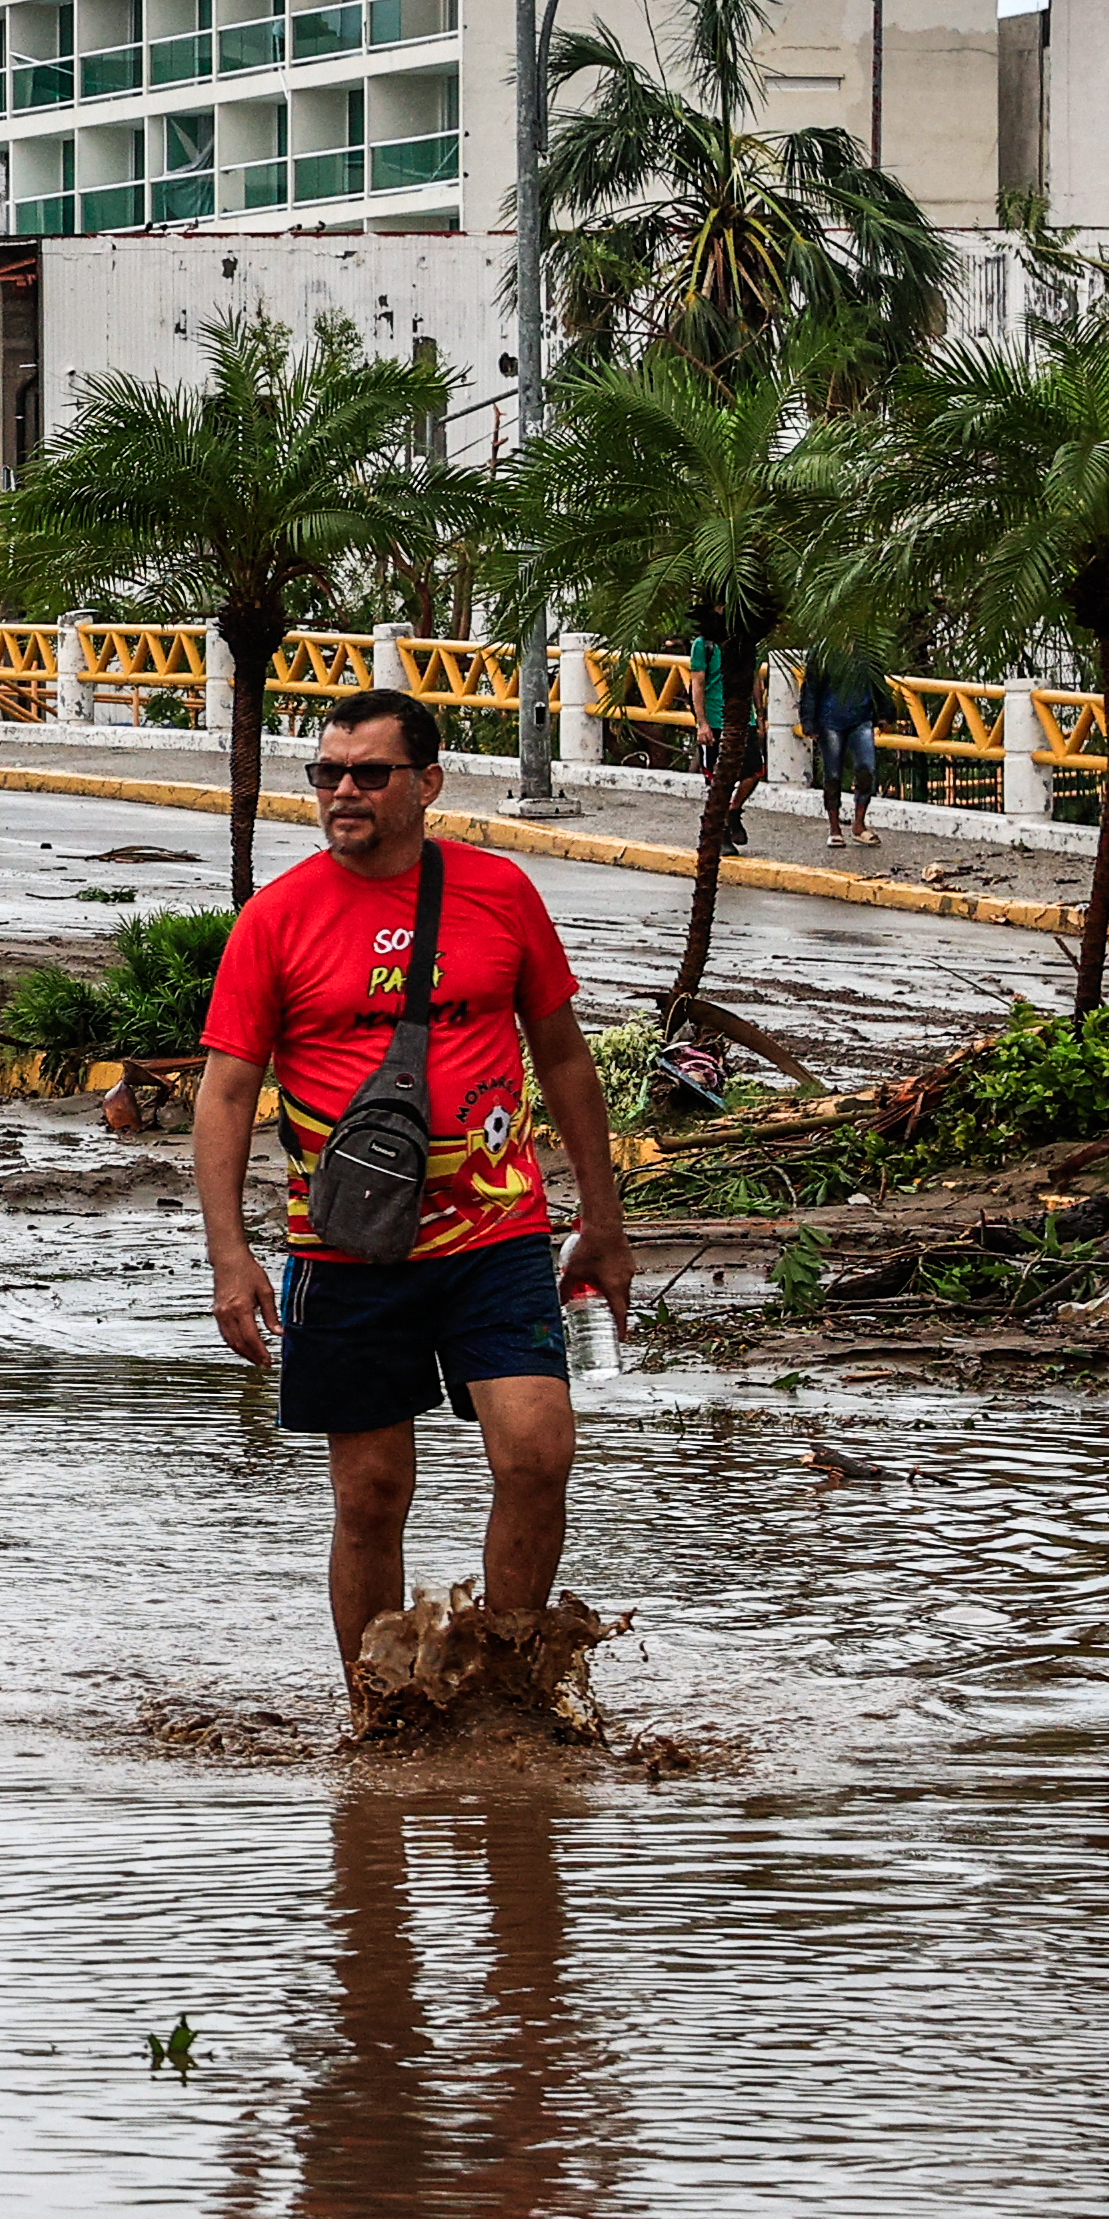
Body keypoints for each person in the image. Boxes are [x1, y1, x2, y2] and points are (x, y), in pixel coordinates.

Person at [194, 687, 638, 1718]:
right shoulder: (279, 918)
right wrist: (231, 1256)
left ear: (427, 783)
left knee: (537, 1453)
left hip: (500, 1233)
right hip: (346, 1251)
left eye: (369, 774)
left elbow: (565, 1059)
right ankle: (379, 1717)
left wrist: (601, 1223)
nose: (343, 793)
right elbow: (224, 1092)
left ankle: (513, 1695)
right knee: (371, 1495)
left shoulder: (499, 893)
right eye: (327, 775)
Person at [801, 634, 888, 846]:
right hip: (830, 719)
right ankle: (834, 828)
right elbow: (810, 688)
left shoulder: (867, 649)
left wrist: (884, 712)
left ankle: (859, 824)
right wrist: (809, 722)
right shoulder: (821, 652)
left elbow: (878, 682)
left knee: (867, 769)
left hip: (861, 717)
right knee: (832, 774)